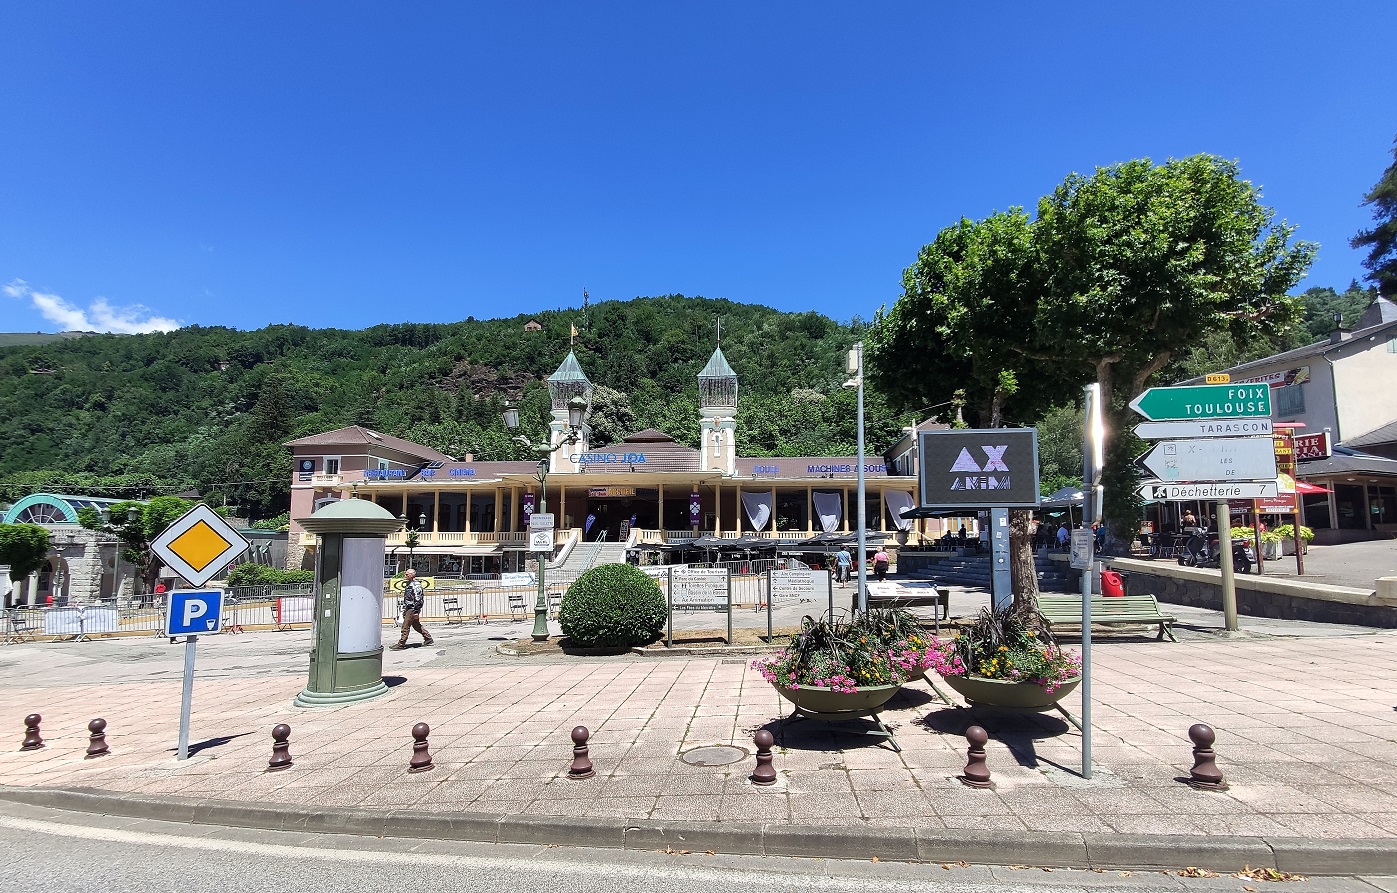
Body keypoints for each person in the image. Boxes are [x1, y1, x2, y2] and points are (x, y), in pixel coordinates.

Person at [391, 569, 434, 650]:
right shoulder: (409, 584)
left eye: (407, 574)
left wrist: (416, 611)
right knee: (416, 625)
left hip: (412, 608)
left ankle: (401, 643)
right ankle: (428, 638)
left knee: (405, 626)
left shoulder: (416, 585)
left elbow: (419, 599)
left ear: (412, 575)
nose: (405, 576)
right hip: (409, 608)